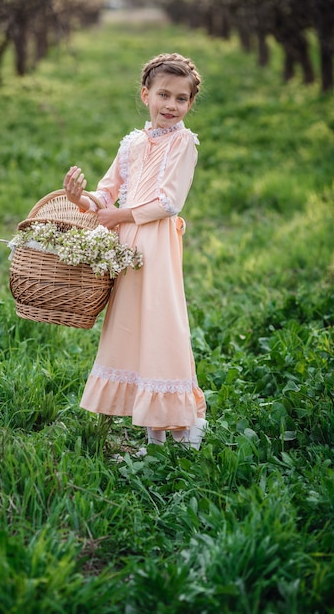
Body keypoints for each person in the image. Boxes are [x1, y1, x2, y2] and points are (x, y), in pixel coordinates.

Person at [63, 52, 207, 450]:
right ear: (146, 95)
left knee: (161, 326)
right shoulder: (131, 143)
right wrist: (82, 198)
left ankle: (181, 426)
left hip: (156, 245)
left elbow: (169, 202)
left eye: (181, 99)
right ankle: (152, 429)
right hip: (125, 248)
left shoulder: (184, 143)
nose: (171, 106)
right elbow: (106, 192)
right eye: (164, 95)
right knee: (130, 326)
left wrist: (116, 216)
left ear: (190, 104)